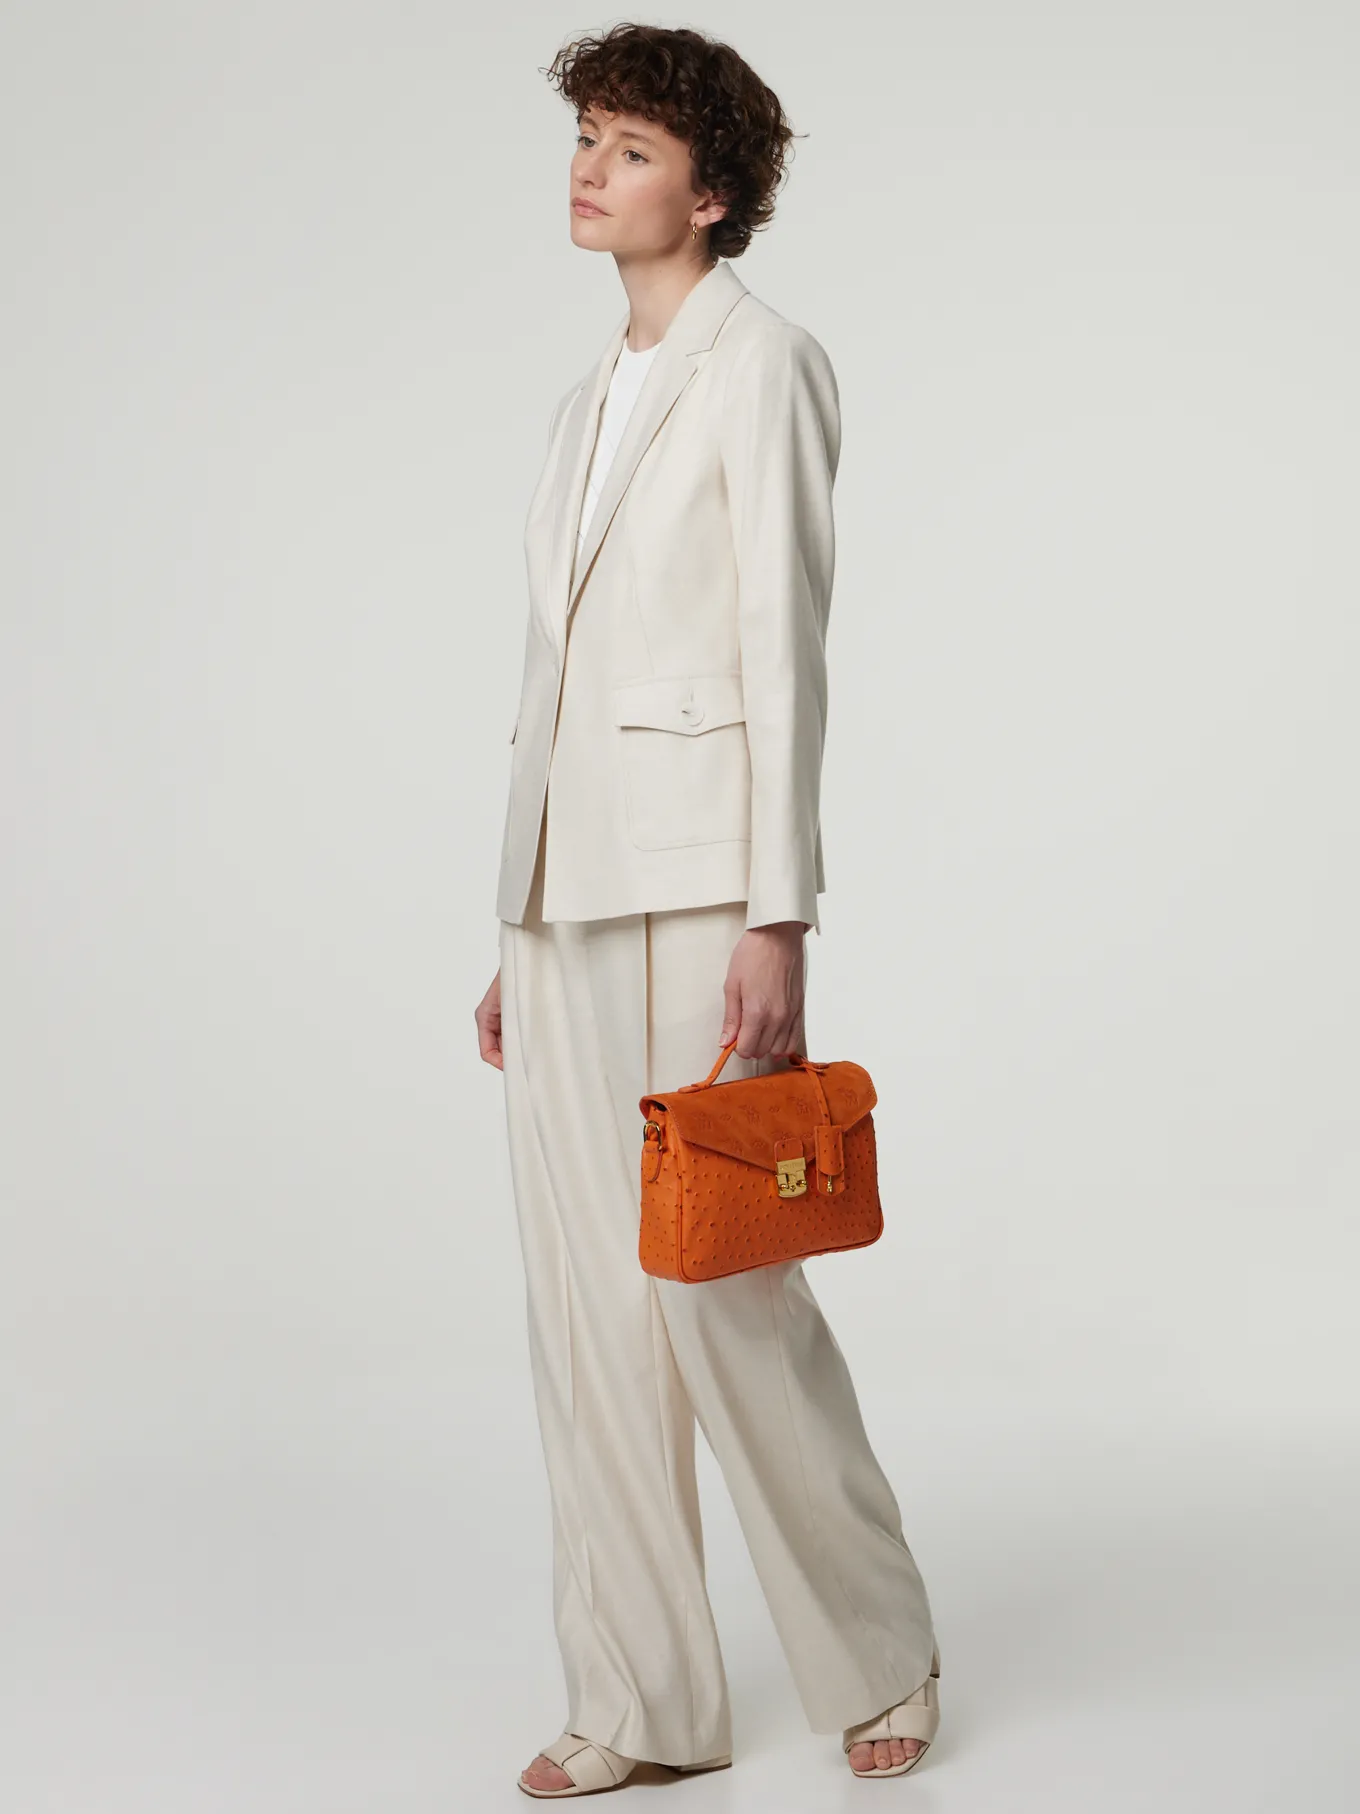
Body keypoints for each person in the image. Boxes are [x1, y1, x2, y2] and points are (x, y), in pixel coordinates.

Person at [473, 23, 941, 1797]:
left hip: (701, 882)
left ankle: (879, 1649)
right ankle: (641, 1701)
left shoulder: (768, 365)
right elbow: (552, 678)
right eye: (587, 137)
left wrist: (779, 912)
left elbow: (781, 645)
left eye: (633, 148)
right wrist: (512, 915)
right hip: (560, 896)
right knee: (586, 1312)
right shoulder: (579, 404)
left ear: (717, 193)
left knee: (721, 1286)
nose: (590, 169)